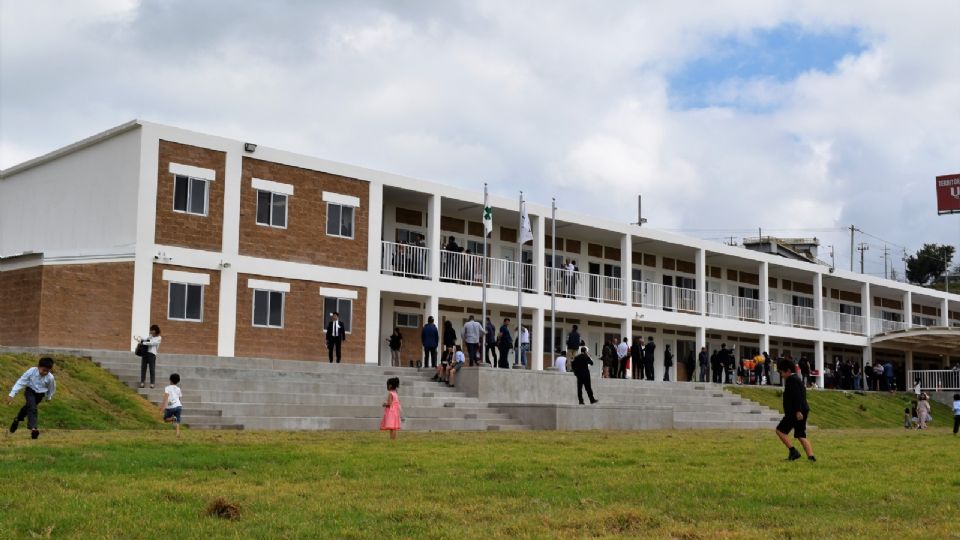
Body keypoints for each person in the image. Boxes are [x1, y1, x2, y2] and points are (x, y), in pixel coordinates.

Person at [775, 358, 815, 462]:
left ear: (788, 371)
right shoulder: (797, 379)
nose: (781, 375)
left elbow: (797, 396)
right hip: (802, 410)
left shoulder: (791, 380)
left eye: (782, 372)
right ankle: (811, 457)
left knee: (780, 430)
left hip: (795, 412)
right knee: (800, 434)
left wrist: (797, 411)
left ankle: (793, 452)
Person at [7, 357, 56, 440]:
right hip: (30, 391)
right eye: (44, 370)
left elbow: (51, 388)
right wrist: (12, 394)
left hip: (40, 395)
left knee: (28, 407)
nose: (45, 372)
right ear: (38, 367)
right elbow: (21, 382)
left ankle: (17, 419)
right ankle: (33, 429)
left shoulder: (50, 378)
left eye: (47, 371)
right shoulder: (31, 371)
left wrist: (49, 397)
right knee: (32, 408)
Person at [134, 325, 162, 389]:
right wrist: (141, 340)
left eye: (152, 330)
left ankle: (152, 383)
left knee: (152, 369)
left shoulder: (159, 338)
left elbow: (153, 343)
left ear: (155, 330)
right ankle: (142, 382)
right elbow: (145, 340)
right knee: (143, 368)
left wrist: (144, 343)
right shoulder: (150, 336)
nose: (151, 331)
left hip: (152, 354)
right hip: (145, 353)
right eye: (151, 330)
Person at [160, 373, 183, 438]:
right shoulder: (178, 389)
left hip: (170, 407)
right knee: (177, 421)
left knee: (165, 419)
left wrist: (162, 408)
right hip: (178, 406)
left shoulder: (167, 388)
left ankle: (173, 418)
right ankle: (177, 433)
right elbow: (179, 398)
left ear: (170, 380)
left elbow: (165, 398)